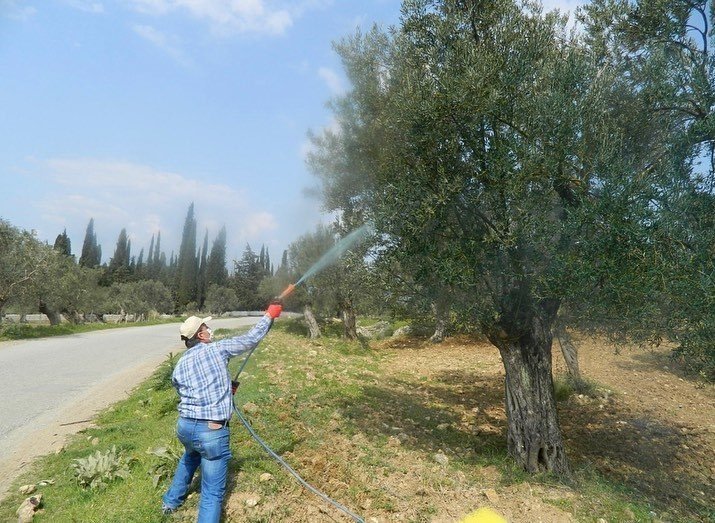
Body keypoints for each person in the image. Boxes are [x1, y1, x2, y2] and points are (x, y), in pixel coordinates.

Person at [162, 303, 282, 522]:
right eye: (206, 327)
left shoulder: (180, 363)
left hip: (185, 426)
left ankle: (170, 503)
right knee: (212, 492)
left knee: (189, 457)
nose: (210, 330)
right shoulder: (217, 349)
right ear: (201, 334)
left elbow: (182, 390)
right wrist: (269, 315)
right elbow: (251, 338)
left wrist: (225, 388)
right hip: (211, 431)